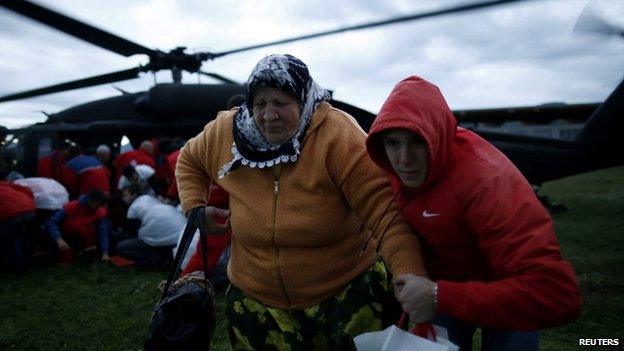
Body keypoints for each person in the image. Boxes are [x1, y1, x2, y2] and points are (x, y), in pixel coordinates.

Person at [176, 54, 426, 349]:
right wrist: (195, 207)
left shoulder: (339, 137)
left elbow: (386, 216)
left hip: (343, 297)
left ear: (303, 99)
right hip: (257, 302)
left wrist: (411, 275)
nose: (269, 115)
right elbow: (189, 159)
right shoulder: (226, 132)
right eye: (260, 104)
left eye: (281, 103)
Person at [365, 76, 582, 350]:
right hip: (444, 289)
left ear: (438, 138)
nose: (404, 160)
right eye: (393, 143)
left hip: (505, 291)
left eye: (417, 142)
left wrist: (437, 294)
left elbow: (558, 295)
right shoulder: (392, 171)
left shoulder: (489, 183)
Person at [116, 184, 181, 268]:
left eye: (125, 195)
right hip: (179, 233)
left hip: (163, 239)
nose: (123, 198)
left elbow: (132, 233)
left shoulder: (132, 209)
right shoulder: (149, 198)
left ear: (134, 195)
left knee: (122, 247)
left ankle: (160, 262)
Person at [44, 189, 110, 262]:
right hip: (65, 236)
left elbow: (103, 233)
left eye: (101, 205)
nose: (98, 207)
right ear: (90, 200)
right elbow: (51, 222)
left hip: (87, 239)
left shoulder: (99, 212)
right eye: (97, 204)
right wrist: (58, 239)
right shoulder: (71, 206)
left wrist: (105, 252)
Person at [0, 180, 36, 271]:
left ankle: (17, 266)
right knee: (22, 235)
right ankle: (28, 261)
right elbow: (27, 190)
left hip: (13, 215)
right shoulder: (7, 184)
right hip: (30, 210)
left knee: (11, 237)